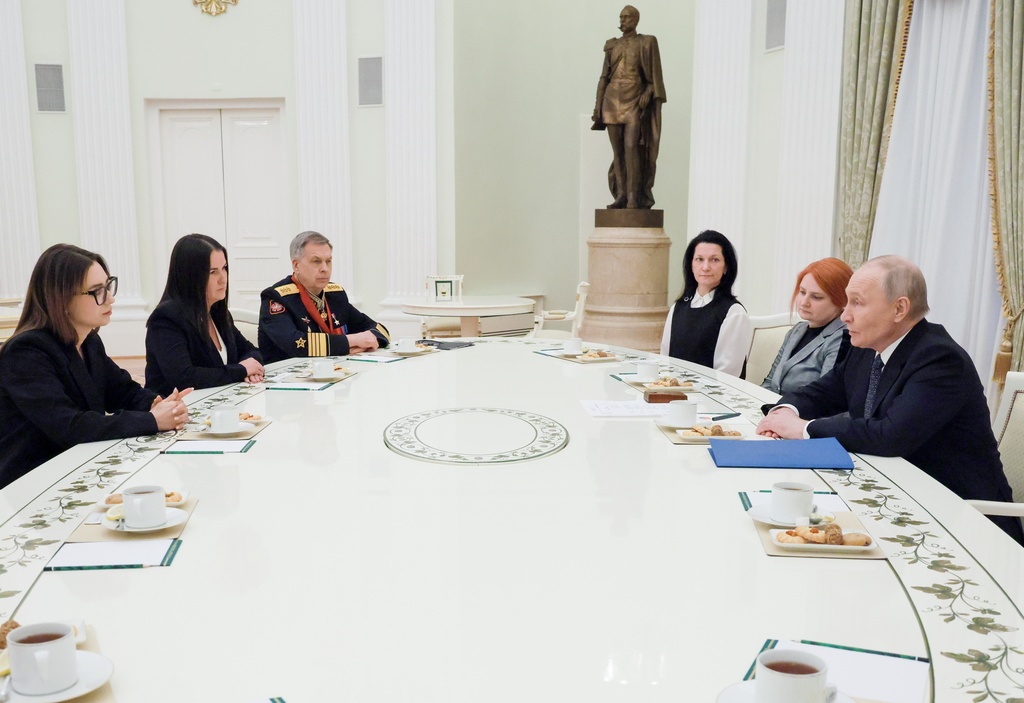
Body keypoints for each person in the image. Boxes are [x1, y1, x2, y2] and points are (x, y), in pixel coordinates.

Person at [756, 255, 1024, 544]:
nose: (845, 315)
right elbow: (826, 391)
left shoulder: (939, 359)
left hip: (962, 521)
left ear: (899, 308)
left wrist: (802, 428)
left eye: (857, 303)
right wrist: (783, 412)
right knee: (783, 526)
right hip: (895, 499)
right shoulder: (867, 345)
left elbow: (890, 435)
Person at [0, 244, 188, 488]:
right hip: (31, 485)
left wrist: (156, 403)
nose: (110, 298)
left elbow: (122, 391)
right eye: (97, 291)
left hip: (79, 469)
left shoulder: (89, 341)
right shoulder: (27, 352)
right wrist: (152, 420)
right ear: (62, 298)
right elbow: (69, 427)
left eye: (108, 286)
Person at [145, 234, 264, 395]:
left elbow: (250, 350)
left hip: (223, 406)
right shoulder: (166, 319)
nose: (223, 279)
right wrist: (241, 370)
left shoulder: (217, 312)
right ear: (190, 276)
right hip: (180, 413)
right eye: (212, 272)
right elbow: (185, 379)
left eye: (224, 268)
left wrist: (251, 367)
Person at [258, 231, 390, 363]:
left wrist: (373, 341)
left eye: (328, 261)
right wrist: (350, 341)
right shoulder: (276, 297)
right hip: (286, 377)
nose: (325, 269)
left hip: (332, 370)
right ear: (296, 265)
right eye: (316, 261)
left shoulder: (335, 294)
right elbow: (295, 344)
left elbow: (378, 329)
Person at [592, 5, 667, 210]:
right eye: (621, 17)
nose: (622, 21)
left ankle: (634, 196)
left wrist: (648, 92)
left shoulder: (646, 42)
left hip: (634, 99)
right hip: (611, 100)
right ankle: (622, 195)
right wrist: (597, 107)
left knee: (632, 148)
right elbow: (603, 78)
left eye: (626, 17)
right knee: (617, 151)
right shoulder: (611, 45)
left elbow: (654, 79)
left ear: (635, 20)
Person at [660, 230, 751, 377]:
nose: (705, 267)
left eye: (714, 260)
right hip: (674, 394)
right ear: (691, 265)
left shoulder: (733, 313)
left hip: (715, 397)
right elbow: (665, 361)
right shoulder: (678, 307)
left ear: (726, 267)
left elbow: (726, 377)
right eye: (699, 259)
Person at [761, 257, 853, 395]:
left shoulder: (843, 338)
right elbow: (770, 382)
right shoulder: (797, 331)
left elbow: (825, 399)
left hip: (802, 415)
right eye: (802, 292)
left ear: (841, 300)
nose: (804, 302)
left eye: (816, 297)